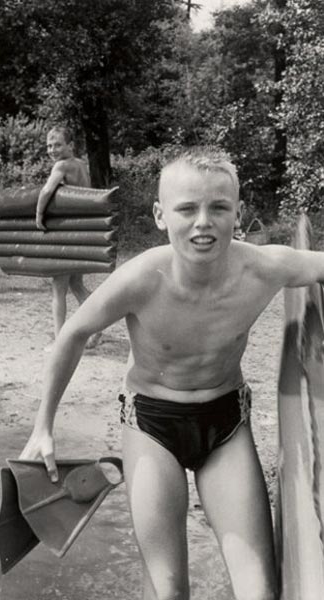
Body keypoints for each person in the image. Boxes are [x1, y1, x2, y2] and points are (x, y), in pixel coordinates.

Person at [20, 146, 324, 600]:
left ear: (238, 214)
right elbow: (72, 334)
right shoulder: (142, 278)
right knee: (168, 590)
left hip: (226, 426)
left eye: (219, 207)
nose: (203, 222)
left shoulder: (263, 268)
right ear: (162, 216)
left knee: (258, 590)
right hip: (150, 426)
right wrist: (43, 427)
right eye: (187, 209)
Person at [35, 124, 100, 348]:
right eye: (49, 145)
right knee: (76, 285)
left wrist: (39, 214)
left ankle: (60, 341)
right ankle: (98, 324)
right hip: (83, 231)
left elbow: (46, 191)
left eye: (58, 144)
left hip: (68, 233)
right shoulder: (81, 165)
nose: (52, 149)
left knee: (58, 287)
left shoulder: (62, 166)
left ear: (70, 145)